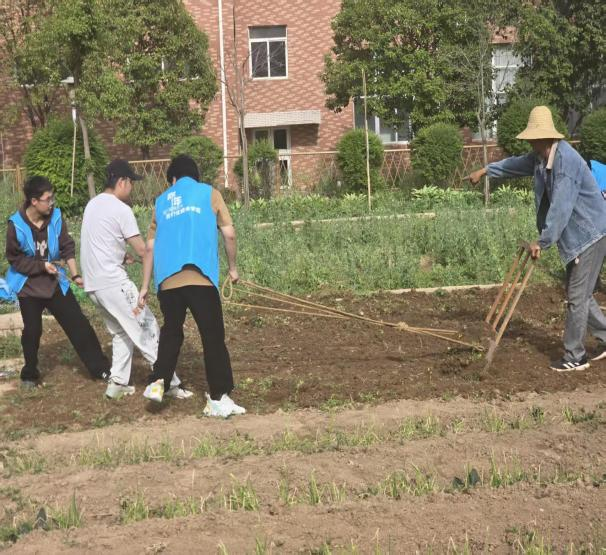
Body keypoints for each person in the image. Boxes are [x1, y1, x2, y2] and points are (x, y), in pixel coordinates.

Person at [469, 105, 606, 372]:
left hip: (590, 234)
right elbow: (514, 164)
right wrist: (485, 171)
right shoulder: (541, 157)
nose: (530, 143)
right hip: (580, 233)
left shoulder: (565, 163)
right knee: (579, 291)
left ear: (544, 137)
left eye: (533, 138)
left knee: (577, 296)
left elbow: (561, 208)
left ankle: (576, 356)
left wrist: (542, 242)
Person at [137, 154, 245, 417]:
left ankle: (158, 381)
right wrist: (232, 269)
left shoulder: (161, 202)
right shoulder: (209, 193)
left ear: (173, 179)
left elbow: (149, 247)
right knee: (212, 336)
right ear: (195, 176)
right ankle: (218, 398)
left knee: (172, 331)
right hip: (200, 277)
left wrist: (144, 286)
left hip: (168, 282)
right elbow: (229, 233)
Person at [80, 159, 192, 400]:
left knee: (121, 332)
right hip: (113, 283)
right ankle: (169, 383)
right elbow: (144, 249)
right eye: (131, 183)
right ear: (122, 181)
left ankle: (118, 384)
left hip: (93, 285)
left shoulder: (92, 204)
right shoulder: (121, 209)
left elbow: (100, 243)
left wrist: (122, 257)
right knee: (147, 327)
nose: (131, 188)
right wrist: (158, 269)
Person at [0, 176, 110, 387]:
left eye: (52, 198)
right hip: (28, 286)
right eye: (47, 199)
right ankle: (29, 374)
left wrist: (75, 275)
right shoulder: (16, 224)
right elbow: (15, 259)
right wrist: (41, 266)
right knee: (32, 331)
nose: (51, 203)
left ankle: (101, 369)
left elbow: (67, 246)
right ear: (34, 201)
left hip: (54, 282)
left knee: (79, 324)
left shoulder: (56, 217)